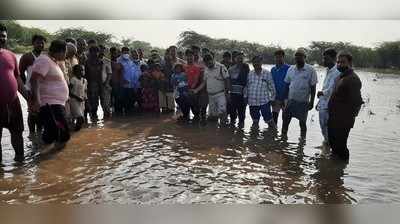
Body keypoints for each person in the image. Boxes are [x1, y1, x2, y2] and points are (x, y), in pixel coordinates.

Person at [30, 40, 70, 152]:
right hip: (49, 104)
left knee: (57, 133)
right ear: (60, 51)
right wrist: (37, 101)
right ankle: (43, 157)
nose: (66, 55)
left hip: (57, 104)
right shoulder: (44, 60)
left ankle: (48, 159)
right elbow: (34, 80)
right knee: (61, 134)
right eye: (65, 52)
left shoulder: (53, 61)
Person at [328, 52, 363, 160]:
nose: (339, 64)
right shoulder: (340, 77)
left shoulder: (352, 79)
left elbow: (357, 102)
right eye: (338, 62)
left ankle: (342, 169)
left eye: (343, 62)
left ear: (350, 63)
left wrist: (348, 119)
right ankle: (335, 170)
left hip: (343, 121)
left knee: (341, 146)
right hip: (334, 118)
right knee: (334, 145)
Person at [0, 23, 27, 163]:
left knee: (17, 134)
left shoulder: (10, 55)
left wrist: (29, 98)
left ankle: (21, 166)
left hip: (13, 103)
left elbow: (17, 78)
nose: (1, 38)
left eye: (3, 36)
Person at [282, 48, 318, 139]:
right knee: (285, 121)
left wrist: (312, 102)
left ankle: (302, 143)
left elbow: (313, 88)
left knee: (302, 123)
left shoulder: (311, 70)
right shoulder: (291, 69)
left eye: (300, 55)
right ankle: (282, 141)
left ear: (305, 57)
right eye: (296, 55)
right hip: (290, 101)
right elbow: (286, 85)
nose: (298, 57)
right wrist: (284, 99)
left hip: (303, 102)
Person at [19, 34, 46, 135]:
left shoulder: (45, 57)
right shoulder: (27, 57)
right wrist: (26, 87)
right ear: (33, 43)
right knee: (32, 112)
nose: (40, 45)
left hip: (43, 90)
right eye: (38, 42)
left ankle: (39, 134)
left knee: (42, 113)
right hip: (31, 89)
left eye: (42, 43)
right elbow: (20, 73)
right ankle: (31, 134)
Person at [316, 48, 341, 148]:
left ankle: (329, 147)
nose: (324, 61)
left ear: (333, 58)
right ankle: (326, 147)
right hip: (323, 103)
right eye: (324, 58)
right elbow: (326, 87)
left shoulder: (337, 72)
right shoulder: (328, 70)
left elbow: (331, 89)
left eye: (326, 59)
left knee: (328, 127)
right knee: (323, 127)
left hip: (330, 105)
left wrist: (322, 93)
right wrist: (319, 102)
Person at [199, 54, 231, 124]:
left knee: (222, 114)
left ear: (213, 59)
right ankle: (214, 133)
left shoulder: (221, 67)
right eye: (206, 63)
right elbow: (204, 82)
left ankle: (223, 131)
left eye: (209, 62)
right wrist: (196, 90)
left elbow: (227, 80)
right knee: (213, 117)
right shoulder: (206, 69)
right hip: (210, 96)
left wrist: (227, 93)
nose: (208, 65)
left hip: (220, 94)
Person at [247, 55, 276, 128]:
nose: (256, 63)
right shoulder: (250, 74)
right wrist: (245, 97)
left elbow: (272, 87)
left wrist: (272, 99)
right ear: (252, 63)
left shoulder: (267, 73)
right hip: (252, 102)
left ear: (261, 62)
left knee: (270, 121)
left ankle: (274, 136)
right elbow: (246, 87)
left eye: (258, 62)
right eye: (254, 62)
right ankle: (254, 138)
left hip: (264, 102)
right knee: (255, 122)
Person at [85, 46, 112, 121]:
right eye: (94, 52)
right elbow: (86, 74)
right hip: (92, 83)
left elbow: (103, 73)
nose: (96, 53)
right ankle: (94, 117)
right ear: (90, 53)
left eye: (97, 52)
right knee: (94, 102)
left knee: (105, 102)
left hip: (101, 83)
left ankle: (106, 119)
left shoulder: (101, 61)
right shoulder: (87, 62)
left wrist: (104, 83)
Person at [227, 52, 249, 127]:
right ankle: (231, 132)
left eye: (241, 58)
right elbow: (228, 82)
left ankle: (241, 133)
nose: (240, 60)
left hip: (242, 95)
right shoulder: (230, 69)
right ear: (235, 59)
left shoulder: (246, 68)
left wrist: (246, 96)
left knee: (242, 115)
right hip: (233, 94)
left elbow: (247, 83)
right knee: (232, 115)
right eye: (238, 58)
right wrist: (228, 93)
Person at [117, 47, 140, 114]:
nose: (126, 54)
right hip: (122, 85)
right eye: (124, 52)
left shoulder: (130, 61)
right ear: (122, 53)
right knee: (122, 102)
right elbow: (117, 73)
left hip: (131, 86)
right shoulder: (118, 61)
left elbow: (133, 73)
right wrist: (122, 80)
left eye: (127, 52)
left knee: (130, 103)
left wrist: (135, 84)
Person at [270, 49, 290, 125]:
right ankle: (274, 134)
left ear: (283, 57)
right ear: (274, 57)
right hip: (275, 97)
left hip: (286, 97)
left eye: (280, 57)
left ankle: (283, 135)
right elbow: (270, 84)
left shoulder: (289, 68)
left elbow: (290, 83)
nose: (278, 59)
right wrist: (272, 98)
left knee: (285, 117)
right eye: (277, 57)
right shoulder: (273, 69)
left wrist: (285, 97)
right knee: (274, 116)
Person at [184, 49, 203, 121]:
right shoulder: (184, 67)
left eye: (191, 56)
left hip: (193, 90)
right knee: (185, 107)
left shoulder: (197, 67)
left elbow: (196, 79)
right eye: (188, 56)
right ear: (186, 57)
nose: (189, 57)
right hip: (185, 89)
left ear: (193, 57)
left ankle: (197, 120)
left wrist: (192, 88)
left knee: (195, 110)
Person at [69, 64, 87, 131]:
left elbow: (85, 91)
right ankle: (74, 131)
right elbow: (69, 92)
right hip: (74, 101)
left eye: (83, 70)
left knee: (81, 120)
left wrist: (86, 99)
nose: (82, 71)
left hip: (82, 102)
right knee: (80, 118)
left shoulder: (85, 80)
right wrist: (77, 97)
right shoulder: (73, 80)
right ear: (76, 71)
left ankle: (74, 133)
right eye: (80, 70)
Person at [158, 49, 176, 113]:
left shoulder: (173, 64)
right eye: (166, 54)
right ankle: (164, 107)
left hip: (170, 81)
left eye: (169, 55)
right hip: (162, 81)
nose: (168, 56)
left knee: (170, 94)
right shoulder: (162, 63)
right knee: (162, 94)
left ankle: (170, 107)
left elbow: (174, 72)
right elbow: (160, 71)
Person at [110, 47, 123, 114]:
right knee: (112, 99)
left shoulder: (119, 62)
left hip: (118, 83)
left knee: (118, 98)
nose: (114, 54)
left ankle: (117, 112)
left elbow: (121, 73)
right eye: (113, 53)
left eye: (116, 53)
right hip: (110, 83)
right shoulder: (108, 61)